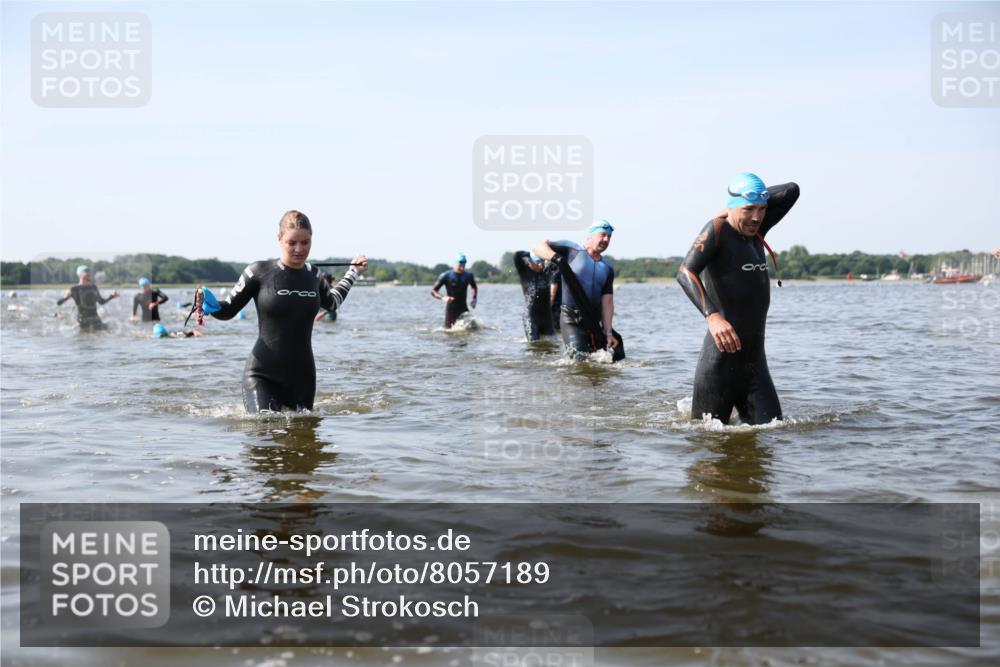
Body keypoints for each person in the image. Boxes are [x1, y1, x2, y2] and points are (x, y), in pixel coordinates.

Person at [195, 210, 368, 413]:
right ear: (279, 239)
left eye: (305, 242)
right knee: (265, 428)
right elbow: (228, 311)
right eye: (292, 242)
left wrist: (353, 272)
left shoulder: (314, 275)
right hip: (262, 374)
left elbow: (332, 302)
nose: (299, 249)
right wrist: (210, 303)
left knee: (304, 440)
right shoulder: (257, 271)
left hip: (302, 377)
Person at [677, 172, 800, 425]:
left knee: (772, 432)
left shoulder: (757, 230)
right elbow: (685, 272)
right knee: (708, 443)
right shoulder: (718, 229)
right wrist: (713, 316)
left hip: (755, 364)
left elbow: (791, 191)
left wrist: (752, 199)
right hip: (719, 364)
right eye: (748, 209)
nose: (756, 216)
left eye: (762, 209)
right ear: (733, 207)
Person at [532, 220, 618, 358]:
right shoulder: (572, 250)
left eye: (609, 237)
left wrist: (608, 332)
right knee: (579, 360)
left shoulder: (607, 268)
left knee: (601, 363)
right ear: (591, 236)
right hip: (571, 319)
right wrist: (556, 258)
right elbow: (538, 246)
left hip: (593, 322)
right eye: (603, 235)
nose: (606, 239)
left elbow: (607, 302)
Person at [56, 265, 119, 331]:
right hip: (83, 322)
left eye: (89, 271)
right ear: (81, 274)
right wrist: (65, 297)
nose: (90, 273)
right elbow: (59, 303)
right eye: (87, 271)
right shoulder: (75, 289)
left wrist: (112, 296)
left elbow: (101, 302)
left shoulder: (93, 287)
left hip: (96, 320)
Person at [513, 250, 555, 340]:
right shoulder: (524, 271)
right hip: (531, 316)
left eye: (541, 262)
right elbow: (516, 255)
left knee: (551, 344)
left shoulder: (546, 272)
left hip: (547, 317)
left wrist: (545, 252)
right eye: (537, 262)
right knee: (533, 344)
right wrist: (532, 253)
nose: (540, 265)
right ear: (530, 262)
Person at [431, 253, 478, 328]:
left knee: (471, 331)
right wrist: (443, 297)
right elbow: (433, 291)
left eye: (464, 265)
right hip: (451, 311)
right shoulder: (446, 276)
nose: (462, 268)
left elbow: (474, 287)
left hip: (464, 309)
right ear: (455, 264)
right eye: (460, 265)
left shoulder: (468, 275)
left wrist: (474, 299)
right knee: (449, 332)